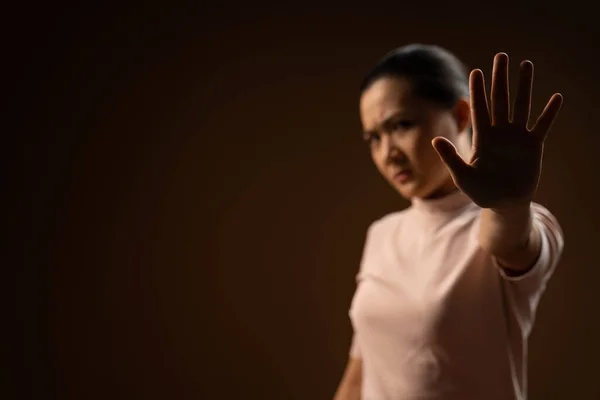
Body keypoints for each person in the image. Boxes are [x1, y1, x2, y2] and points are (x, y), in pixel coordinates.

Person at [332, 44, 564, 400]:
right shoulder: (381, 234)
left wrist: (507, 205)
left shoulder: (512, 221)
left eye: (402, 125)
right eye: (373, 138)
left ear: (460, 115)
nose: (387, 153)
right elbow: (362, 371)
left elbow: (510, 242)